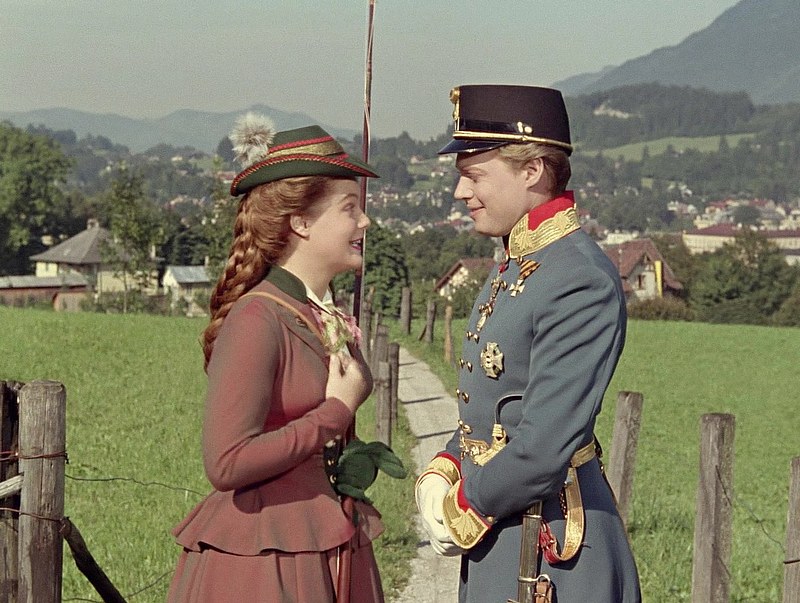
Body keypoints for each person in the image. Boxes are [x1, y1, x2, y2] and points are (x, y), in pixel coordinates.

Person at [414, 85, 641, 602]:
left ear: (532, 170)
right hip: (505, 528)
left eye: (475, 175)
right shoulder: (521, 261)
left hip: (551, 548)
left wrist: (462, 506)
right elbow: (498, 411)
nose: (461, 192)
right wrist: (447, 465)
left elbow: (540, 449)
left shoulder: (578, 278)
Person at [167, 114, 386, 602]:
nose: (364, 222)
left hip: (319, 540)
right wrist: (336, 411)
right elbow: (226, 462)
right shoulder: (257, 318)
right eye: (349, 208)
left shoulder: (313, 310)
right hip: (265, 564)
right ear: (301, 222)